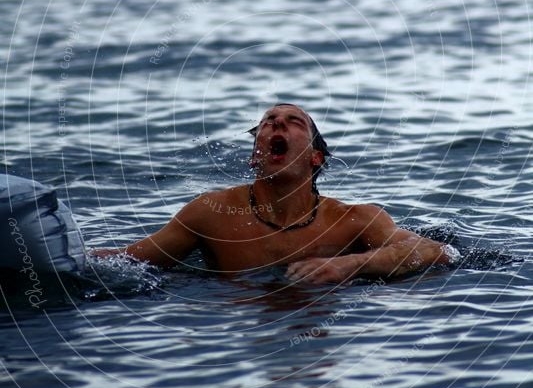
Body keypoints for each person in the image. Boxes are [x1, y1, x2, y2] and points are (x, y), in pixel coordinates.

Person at [92, 103, 457, 285]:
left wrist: (345, 265)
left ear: (315, 157)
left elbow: (435, 252)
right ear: (256, 156)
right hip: (229, 334)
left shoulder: (354, 220)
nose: (275, 123)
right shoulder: (210, 213)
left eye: (293, 122)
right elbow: (130, 261)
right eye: (267, 122)